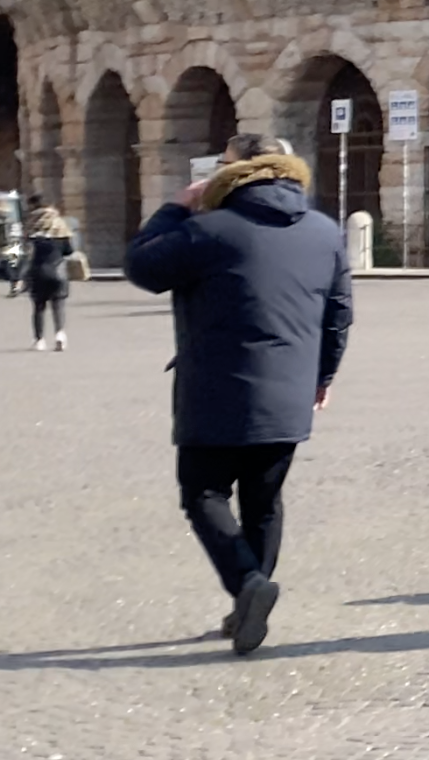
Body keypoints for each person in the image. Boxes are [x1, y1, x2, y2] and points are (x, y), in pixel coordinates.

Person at [122, 133, 354, 656]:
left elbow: (141, 266)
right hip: (291, 389)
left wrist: (175, 207)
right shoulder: (324, 231)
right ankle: (251, 601)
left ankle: (249, 585)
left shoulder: (207, 229)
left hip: (215, 389)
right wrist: (324, 377)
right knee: (264, 502)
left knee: (203, 494)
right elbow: (339, 313)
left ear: (232, 173)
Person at [24, 198, 76, 349]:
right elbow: (69, 251)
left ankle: (39, 340)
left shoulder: (31, 230)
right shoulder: (61, 230)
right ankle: (59, 334)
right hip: (57, 271)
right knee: (58, 305)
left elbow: (23, 252)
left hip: (37, 271)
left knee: (39, 307)